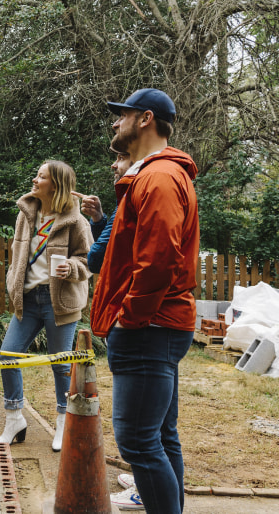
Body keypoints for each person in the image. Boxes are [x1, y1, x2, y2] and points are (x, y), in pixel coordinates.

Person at [91, 88, 199, 513]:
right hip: (157, 327)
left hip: (148, 329)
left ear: (145, 119)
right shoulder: (157, 175)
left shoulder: (158, 177)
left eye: (122, 115)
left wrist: (129, 318)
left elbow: (158, 260)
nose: (114, 123)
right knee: (160, 437)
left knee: (138, 440)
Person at [0, 160, 92, 451]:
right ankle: (14, 419)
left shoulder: (76, 221)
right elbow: (16, 255)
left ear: (56, 184)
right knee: (7, 356)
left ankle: (64, 423)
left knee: (60, 365)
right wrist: (13, 282)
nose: (34, 180)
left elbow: (88, 261)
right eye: (36, 174)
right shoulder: (26, 214)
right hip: (29, 299)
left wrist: (71, 268)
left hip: (59, 300)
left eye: (41, 176)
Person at [79, 147, 132, 273]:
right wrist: (98, 217)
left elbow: (96, 259)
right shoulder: (124, 196)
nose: (113, 165)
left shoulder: (131, 196)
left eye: (121, 158)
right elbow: (113, 246)